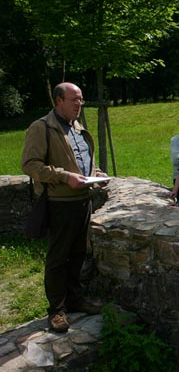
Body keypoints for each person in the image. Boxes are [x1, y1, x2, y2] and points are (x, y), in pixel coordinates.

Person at [21, 82, 108, 333]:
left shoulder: (77, 128)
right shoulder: (42, 128)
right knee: (58, 257)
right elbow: (30, 164)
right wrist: (64, 176)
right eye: (74, 100)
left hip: (83, 200)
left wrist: (94, 174)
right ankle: (56, 310)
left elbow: (79, 162)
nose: (79, 104)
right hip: (59, 203)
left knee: (79, 252)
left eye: (81, 99)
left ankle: (74, 299)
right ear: (58, 101)